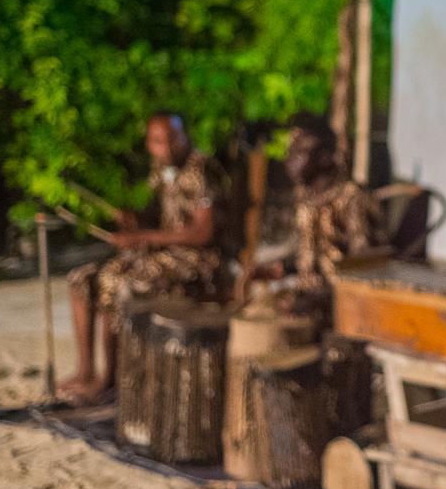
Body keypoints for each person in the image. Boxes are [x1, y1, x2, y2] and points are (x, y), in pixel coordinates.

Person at [59, 113, 226, 404]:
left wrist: (145, 237)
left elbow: (203, 233)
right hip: (165, 253)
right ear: (149, 144)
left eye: (172, 139)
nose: (167, 148)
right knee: (81, 279)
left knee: (113, 281)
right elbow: (161, 217)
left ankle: (109, 379)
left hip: (197, 261)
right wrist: (134, 222)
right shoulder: (161, 169)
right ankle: (86, 370)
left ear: (185, 136)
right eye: (158, 141)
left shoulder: (202, 170)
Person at [235, 114, 386, 324]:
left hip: (343, 310)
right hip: (309, 300)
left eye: (299, 153)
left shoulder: (350, 198)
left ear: (324, 157)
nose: (289, 160)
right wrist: (280, 268)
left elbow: (366, 267)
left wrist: (321, 298)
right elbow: (311, 257)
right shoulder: (306, 199)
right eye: (289, 153)